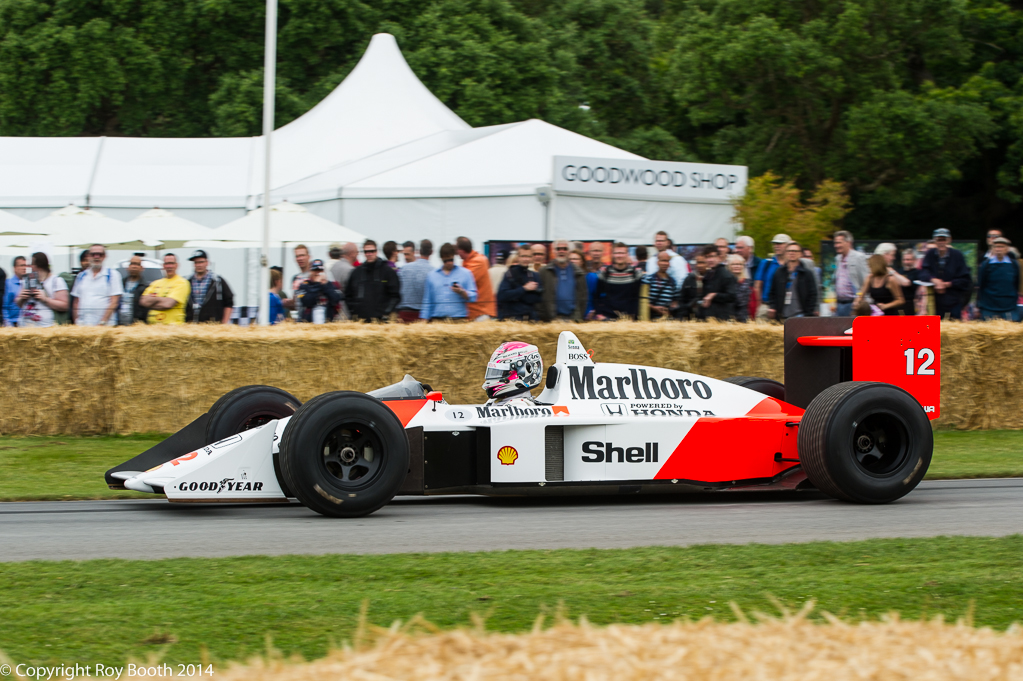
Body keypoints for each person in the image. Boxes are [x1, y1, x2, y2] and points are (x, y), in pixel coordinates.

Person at [919, 228, 972, 320]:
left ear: (949, 240)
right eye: (939, 240)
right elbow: (923, 273)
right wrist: (934, 280)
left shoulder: (957, 255)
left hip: (954, 302)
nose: (941, 243)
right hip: (935, 303)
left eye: (944, 240)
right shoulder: (930, 254)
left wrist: (946, 285)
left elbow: (965, 280)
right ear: (935, 241)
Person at [347, 239, 401, 321]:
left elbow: (395, 295)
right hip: (361, 320)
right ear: (363, 253)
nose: (369, 254)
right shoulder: (357, 272)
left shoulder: (387, 271)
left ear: (376, 252)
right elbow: (348, 295)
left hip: (381, 320)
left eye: (372, 251)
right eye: (366, 252)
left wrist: (386, 313)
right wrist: (354, 312)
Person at [421, 243, 477, 321]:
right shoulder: (431, 276)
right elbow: (427, 300)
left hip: (459, 320)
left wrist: (462, 291)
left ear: (454, 256)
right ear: (441, 258)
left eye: (451, 260)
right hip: (437, 321)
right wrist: (424, 320)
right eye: (446, 261)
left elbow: (473, 297)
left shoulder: (466, 273)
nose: (449, 263)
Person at [69, 244, 122, 326]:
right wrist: (76, 321)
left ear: (104, 256)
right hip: (83, 324)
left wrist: (102, 322)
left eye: (100, 254)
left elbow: (114, 302)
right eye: (93, 254)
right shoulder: (81, 276)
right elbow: (76, 301)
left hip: (105, 326)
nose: (96, 257)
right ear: (88, 256)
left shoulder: (112, 275)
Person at [16, 252, 69, 328]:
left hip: (46, 327)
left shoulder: (56, 281)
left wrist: (45, 299)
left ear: (39, 266)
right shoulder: (26, 280)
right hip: (25, 326)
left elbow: (64, 306)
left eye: (31, 264)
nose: (29, 267)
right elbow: (19, 303)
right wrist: (21, 298)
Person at [769, 241, 818, 321]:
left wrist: (808, 313)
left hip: (801, 315)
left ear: (800, 254)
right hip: (782, 315)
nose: (792, 253)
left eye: (795, 251)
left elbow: (813, 294)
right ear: (785, 253)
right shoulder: (779, 272)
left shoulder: (806, 273)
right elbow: (772, 292)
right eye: (789, 251)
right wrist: (773, 307)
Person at [540, 240, 588, 321]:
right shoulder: (544, 271)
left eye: (565, 249)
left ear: (569, 252)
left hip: (573, 320)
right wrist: (546, 317)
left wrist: (578, 317)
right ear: (554, 251)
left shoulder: (579, 272)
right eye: (558, 249)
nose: (561, 251)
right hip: (551, 321)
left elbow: (583, 298)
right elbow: (539, 297)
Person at [594, 242, 644, 320]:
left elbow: (637, 297)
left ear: (627, 254)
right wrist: (599, 314)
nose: (619, 256)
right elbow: (597, 296)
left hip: (628, 318)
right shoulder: (604, 272)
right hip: (608, 317)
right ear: (612, 255)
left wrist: (634, 315)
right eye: (617, 253)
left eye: (622, 253)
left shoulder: (636, 273)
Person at [977, 237, 1021, 321]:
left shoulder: (1014, 264)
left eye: (1001, 247)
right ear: (992, 249)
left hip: (1009, 305)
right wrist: (979, 304)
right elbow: (981, 284)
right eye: (996, 247)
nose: (998, 249)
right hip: (989, 306)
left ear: (1007, 249)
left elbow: (1016, 283)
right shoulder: (986, 265)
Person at [139, 253, 190, 325]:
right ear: (163, 266)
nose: (169, 266)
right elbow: (143, 302)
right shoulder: (156, 283)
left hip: (173, 326)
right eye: (166, 263)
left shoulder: (182, 282)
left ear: (177, 265)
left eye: (171, 263)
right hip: (152, 327)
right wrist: (163, 300)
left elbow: (168, 304)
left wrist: (153, 301)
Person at [185, 250, 234, 324]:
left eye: (201, 262)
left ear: (207, 263)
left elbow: (229, 303)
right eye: (196, 262)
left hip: (212, 326)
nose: (199, 265)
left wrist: (224, 323)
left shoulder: (217, 281)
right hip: (191, 326)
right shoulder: (186, 281)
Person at [497, 245, 542, 321]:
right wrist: (524, 289)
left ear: (532, 258)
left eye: (528, 256)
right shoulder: (509, 274)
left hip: (531, 320)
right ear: (518, 257)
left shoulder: (535, 276)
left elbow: (538, 298)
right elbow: (502, 296)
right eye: (523, 256)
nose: (526, 259)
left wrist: (516, 295)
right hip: (512, 320)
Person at [456, 237, 496, 321]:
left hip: (480, 312)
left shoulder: (477, 262)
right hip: (475, 311)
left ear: (461, 251)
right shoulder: (472, 260)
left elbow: (463, 282)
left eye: (456, 249)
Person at [832, 230, 869, 316]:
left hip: (854, 304)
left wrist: (859, 298)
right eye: (835, 243)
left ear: (848, 243)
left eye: (839, 243)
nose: (836, 246)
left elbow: (866, 281)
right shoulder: (838, 258)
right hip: (839, 304)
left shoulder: (859, 257)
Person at [396, 239, 434, 323]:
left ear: (418, 251)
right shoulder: (433, 272)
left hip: (404, 314)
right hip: (424, 316)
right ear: (432, 252)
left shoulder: (404, 269)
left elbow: (397, 290)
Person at [753, 234, 788, 319]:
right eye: (775, 244)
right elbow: (757, 285)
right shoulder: (766, 263)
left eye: (780, 244)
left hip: (787, 306)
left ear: (788, 245)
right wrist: (759, 305)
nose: (776, 246)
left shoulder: (792, 265)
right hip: (767, 305)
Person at [698, 245, 737, 321]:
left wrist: (714, 295)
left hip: (722, 318)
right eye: (707, 257)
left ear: (719, 258)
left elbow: (732, 296)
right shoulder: (708, 274)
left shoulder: (726, 275)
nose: (710, 260)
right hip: (709, 316)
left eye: (712, 256)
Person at [643, 250, 678, 319]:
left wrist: (671, 308)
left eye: (667, 261)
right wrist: (654, 308)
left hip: (666, 319)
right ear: (657, 262)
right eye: (663, 261)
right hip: (650, 319)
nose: (665, 263)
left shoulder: (672, 282)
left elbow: (675, 300)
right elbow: (642, 301)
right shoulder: (648, 279)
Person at [117, 255, 147, 326]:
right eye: (132, 263)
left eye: (137, 264)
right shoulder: (120, 284)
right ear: (128, 267)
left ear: (142, 268)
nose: (134, 266)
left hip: (135, 325)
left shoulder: (145, 287)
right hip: (119, 324)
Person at [678, 251, 709, 320]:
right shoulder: (689, 279)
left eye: (702, 263)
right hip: (690, 316)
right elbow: (682, 299)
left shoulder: (712, 278)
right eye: (698, 263)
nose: (700, 265)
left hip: (708, 317)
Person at [283, 244, 313, 312]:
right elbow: (296, 304)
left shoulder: (315, 275)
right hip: (301, 316)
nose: (300, 259)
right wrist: (288, 302)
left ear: (309, 257)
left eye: (302, 255)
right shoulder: (295, 278)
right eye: (297, 256)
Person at [727, 253, 752, 322]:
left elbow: (741, 301)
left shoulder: (747, 282)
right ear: (729, 266)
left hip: (742, 317)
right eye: (734, 264)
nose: (737, 266)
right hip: (727, 316)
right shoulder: (725, 281)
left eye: (739, 264)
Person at [3, 256, 26, 326]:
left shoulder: (30, 284)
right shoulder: (8, 284)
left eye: (26, 265)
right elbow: (4, 306)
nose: (24, 268)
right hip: (13, 323)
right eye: (22, 265)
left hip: (27, 323)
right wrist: (8, 323)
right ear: (14, 268)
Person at [898, 249, 921, 316]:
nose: (906, 262)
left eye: (908, 260)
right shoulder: (900, 271)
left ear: (914, 260)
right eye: (904, 259)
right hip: (899, 303)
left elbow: (907, 283)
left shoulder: (917, 272)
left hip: (911, 304)